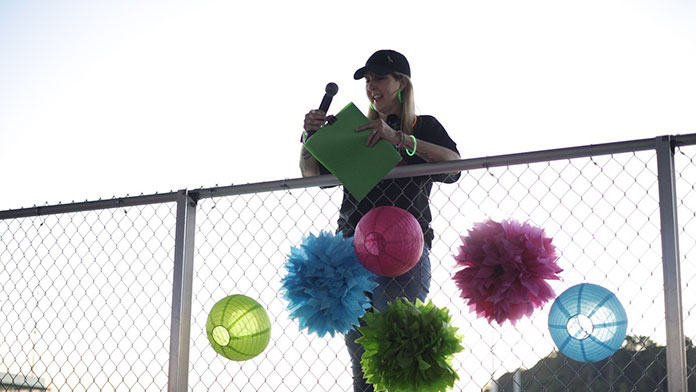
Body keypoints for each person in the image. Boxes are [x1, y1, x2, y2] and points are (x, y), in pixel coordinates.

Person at [299, 49, 461, 392]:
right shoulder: (354, 128)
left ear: (401, 83)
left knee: (400, 356)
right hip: (351, 255)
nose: (372, 86)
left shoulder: (424, 126)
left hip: (403, 254)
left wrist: (399, 139)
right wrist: (308, 140)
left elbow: (454, 165)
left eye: (379, 78)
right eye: (368, 81)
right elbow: (311, 175)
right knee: (363, 367)